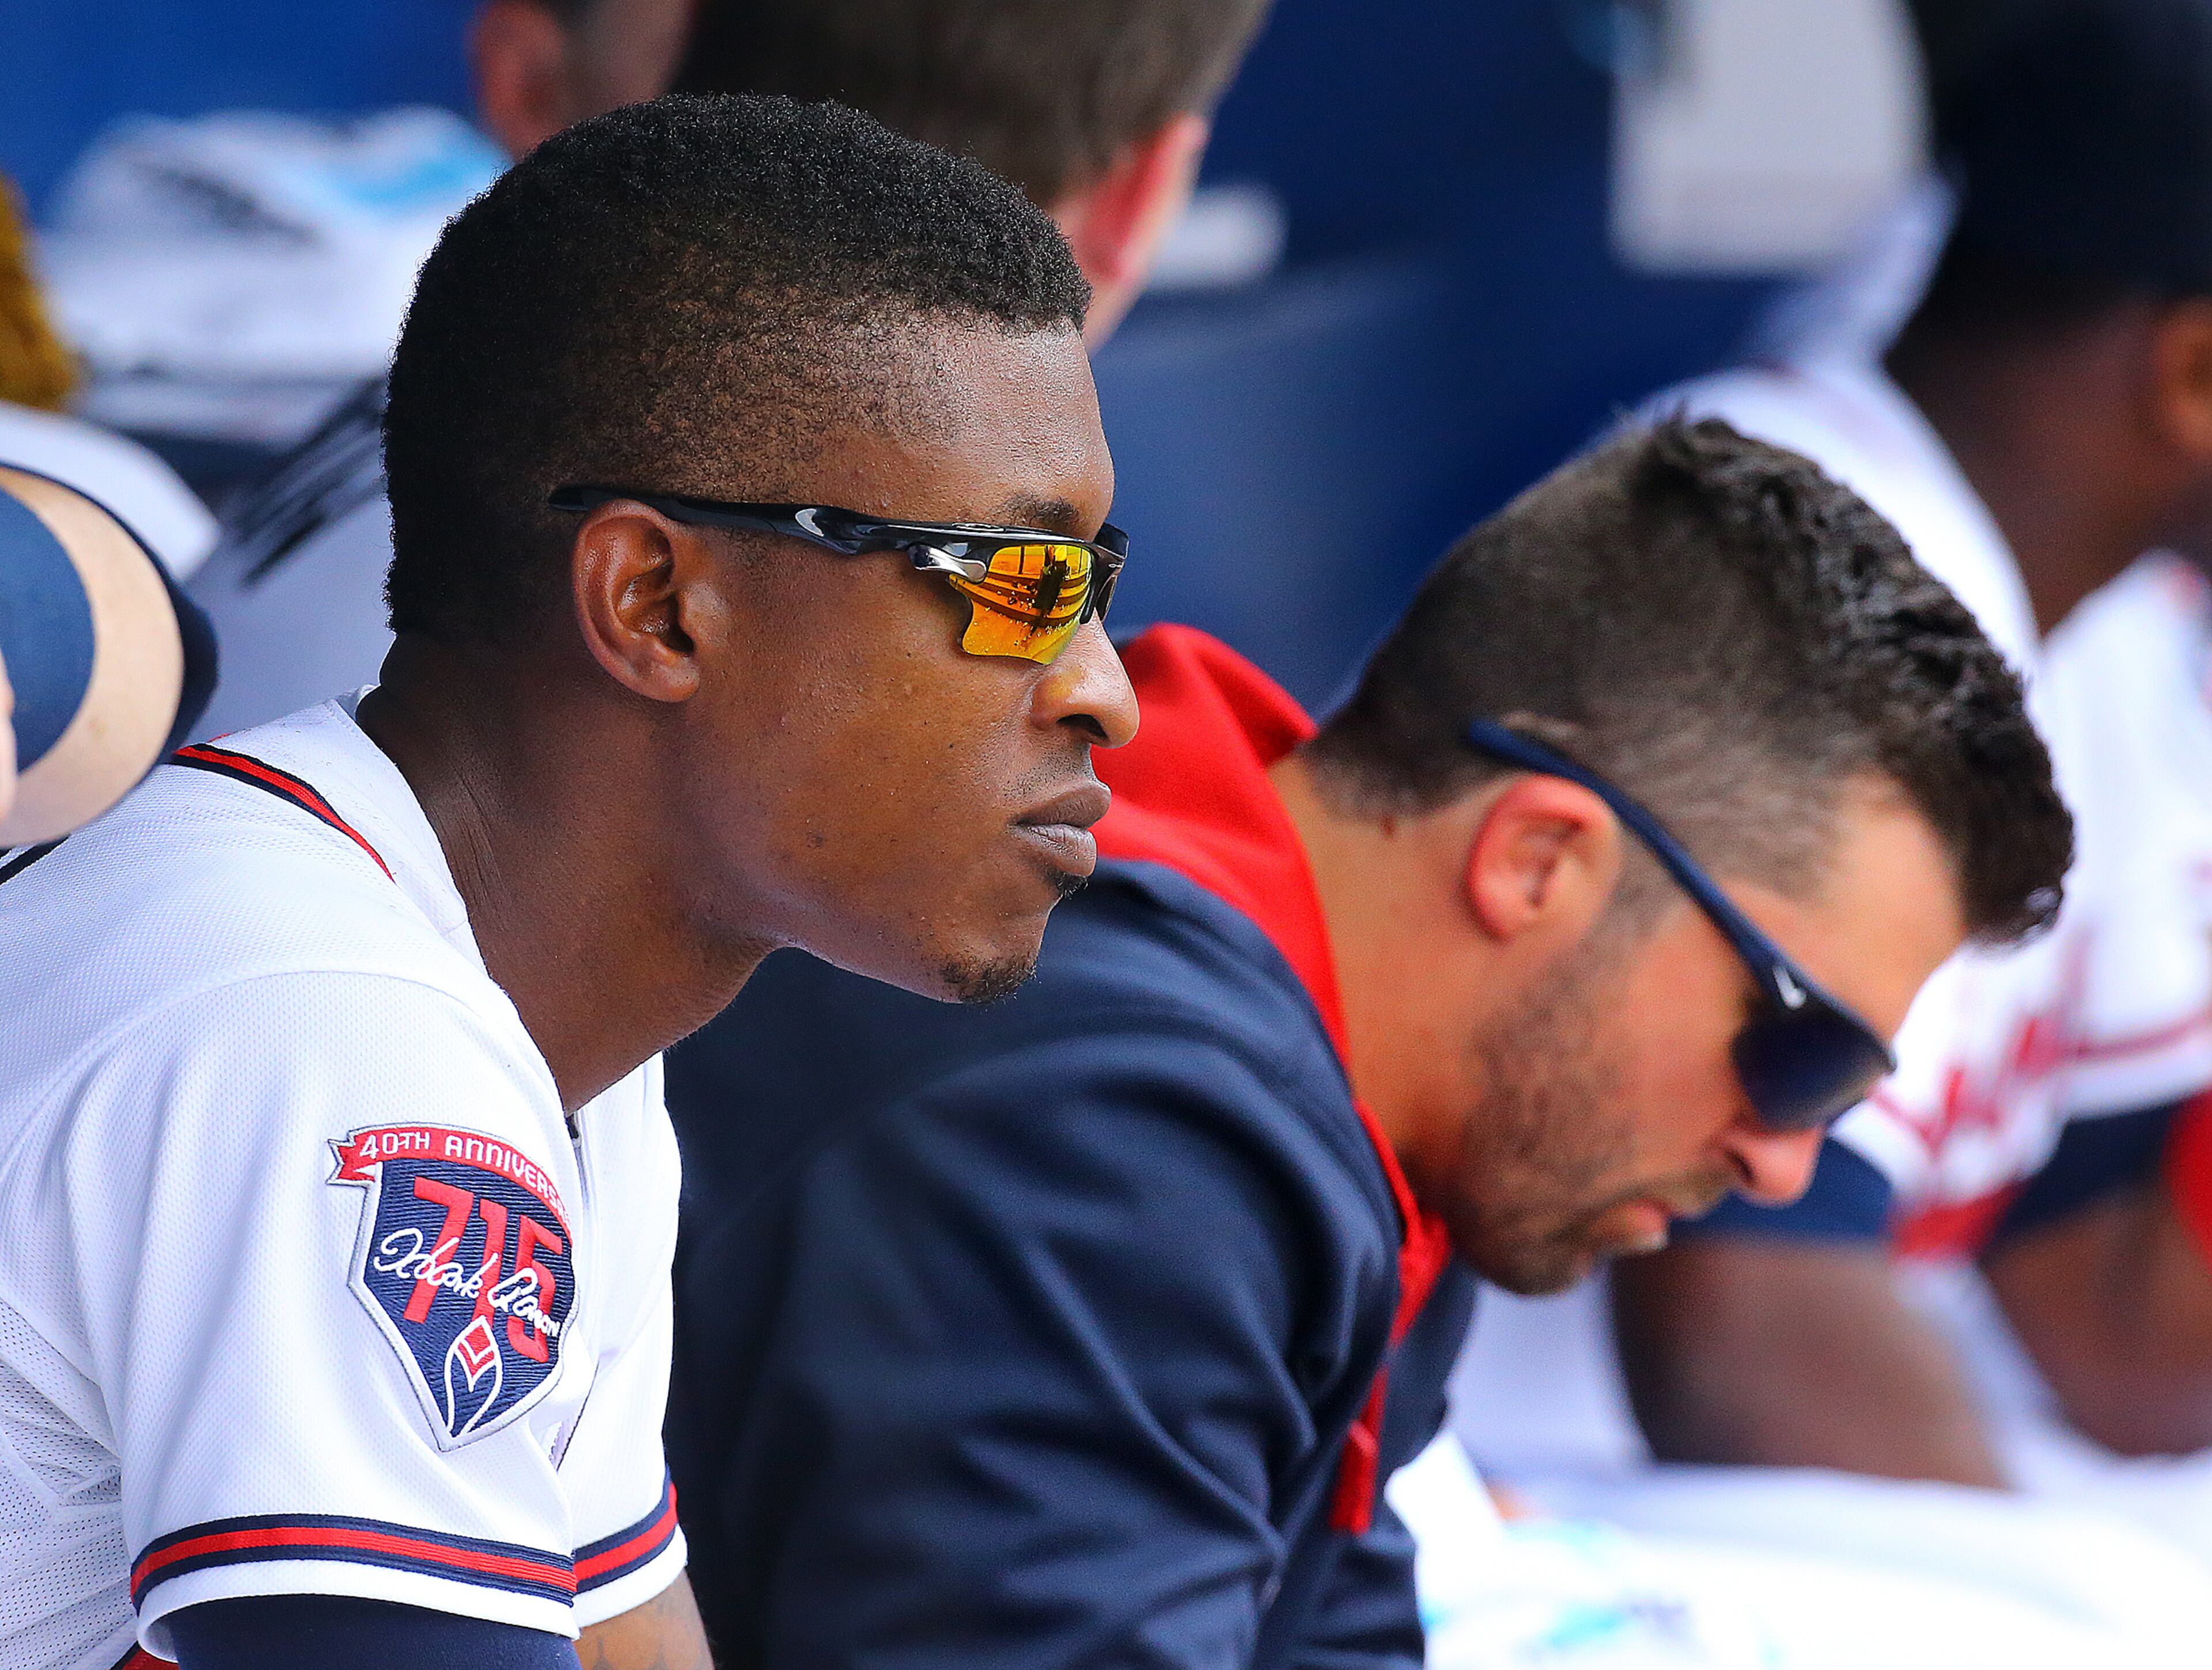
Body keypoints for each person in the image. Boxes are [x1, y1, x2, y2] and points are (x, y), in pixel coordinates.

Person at [0, 93, 1137, 1670]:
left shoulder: (542, 1046)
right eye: (1017, 580)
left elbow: (628, 1645)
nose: (1104, 688)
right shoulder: (325, 1035)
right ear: (657, 604)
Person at [661, 417, 2073, 1669]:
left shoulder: (1361, 1094)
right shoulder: (1119, 1129)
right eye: (1799, 1051)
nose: (1782, 1161)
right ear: (1535, 862)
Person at [1456, 0, 2212, 1530]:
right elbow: (1741, 1349)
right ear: (2193, 375)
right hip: (1538, 1497)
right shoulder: (1782, 560)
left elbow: (2123, 1333)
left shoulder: (2112, 634)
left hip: (1763, 1499)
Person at [186, 0, 1270, 738]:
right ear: (1139, 199)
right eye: (1038, 589)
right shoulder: (843, 663)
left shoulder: (487, 383)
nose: (1103, 700)